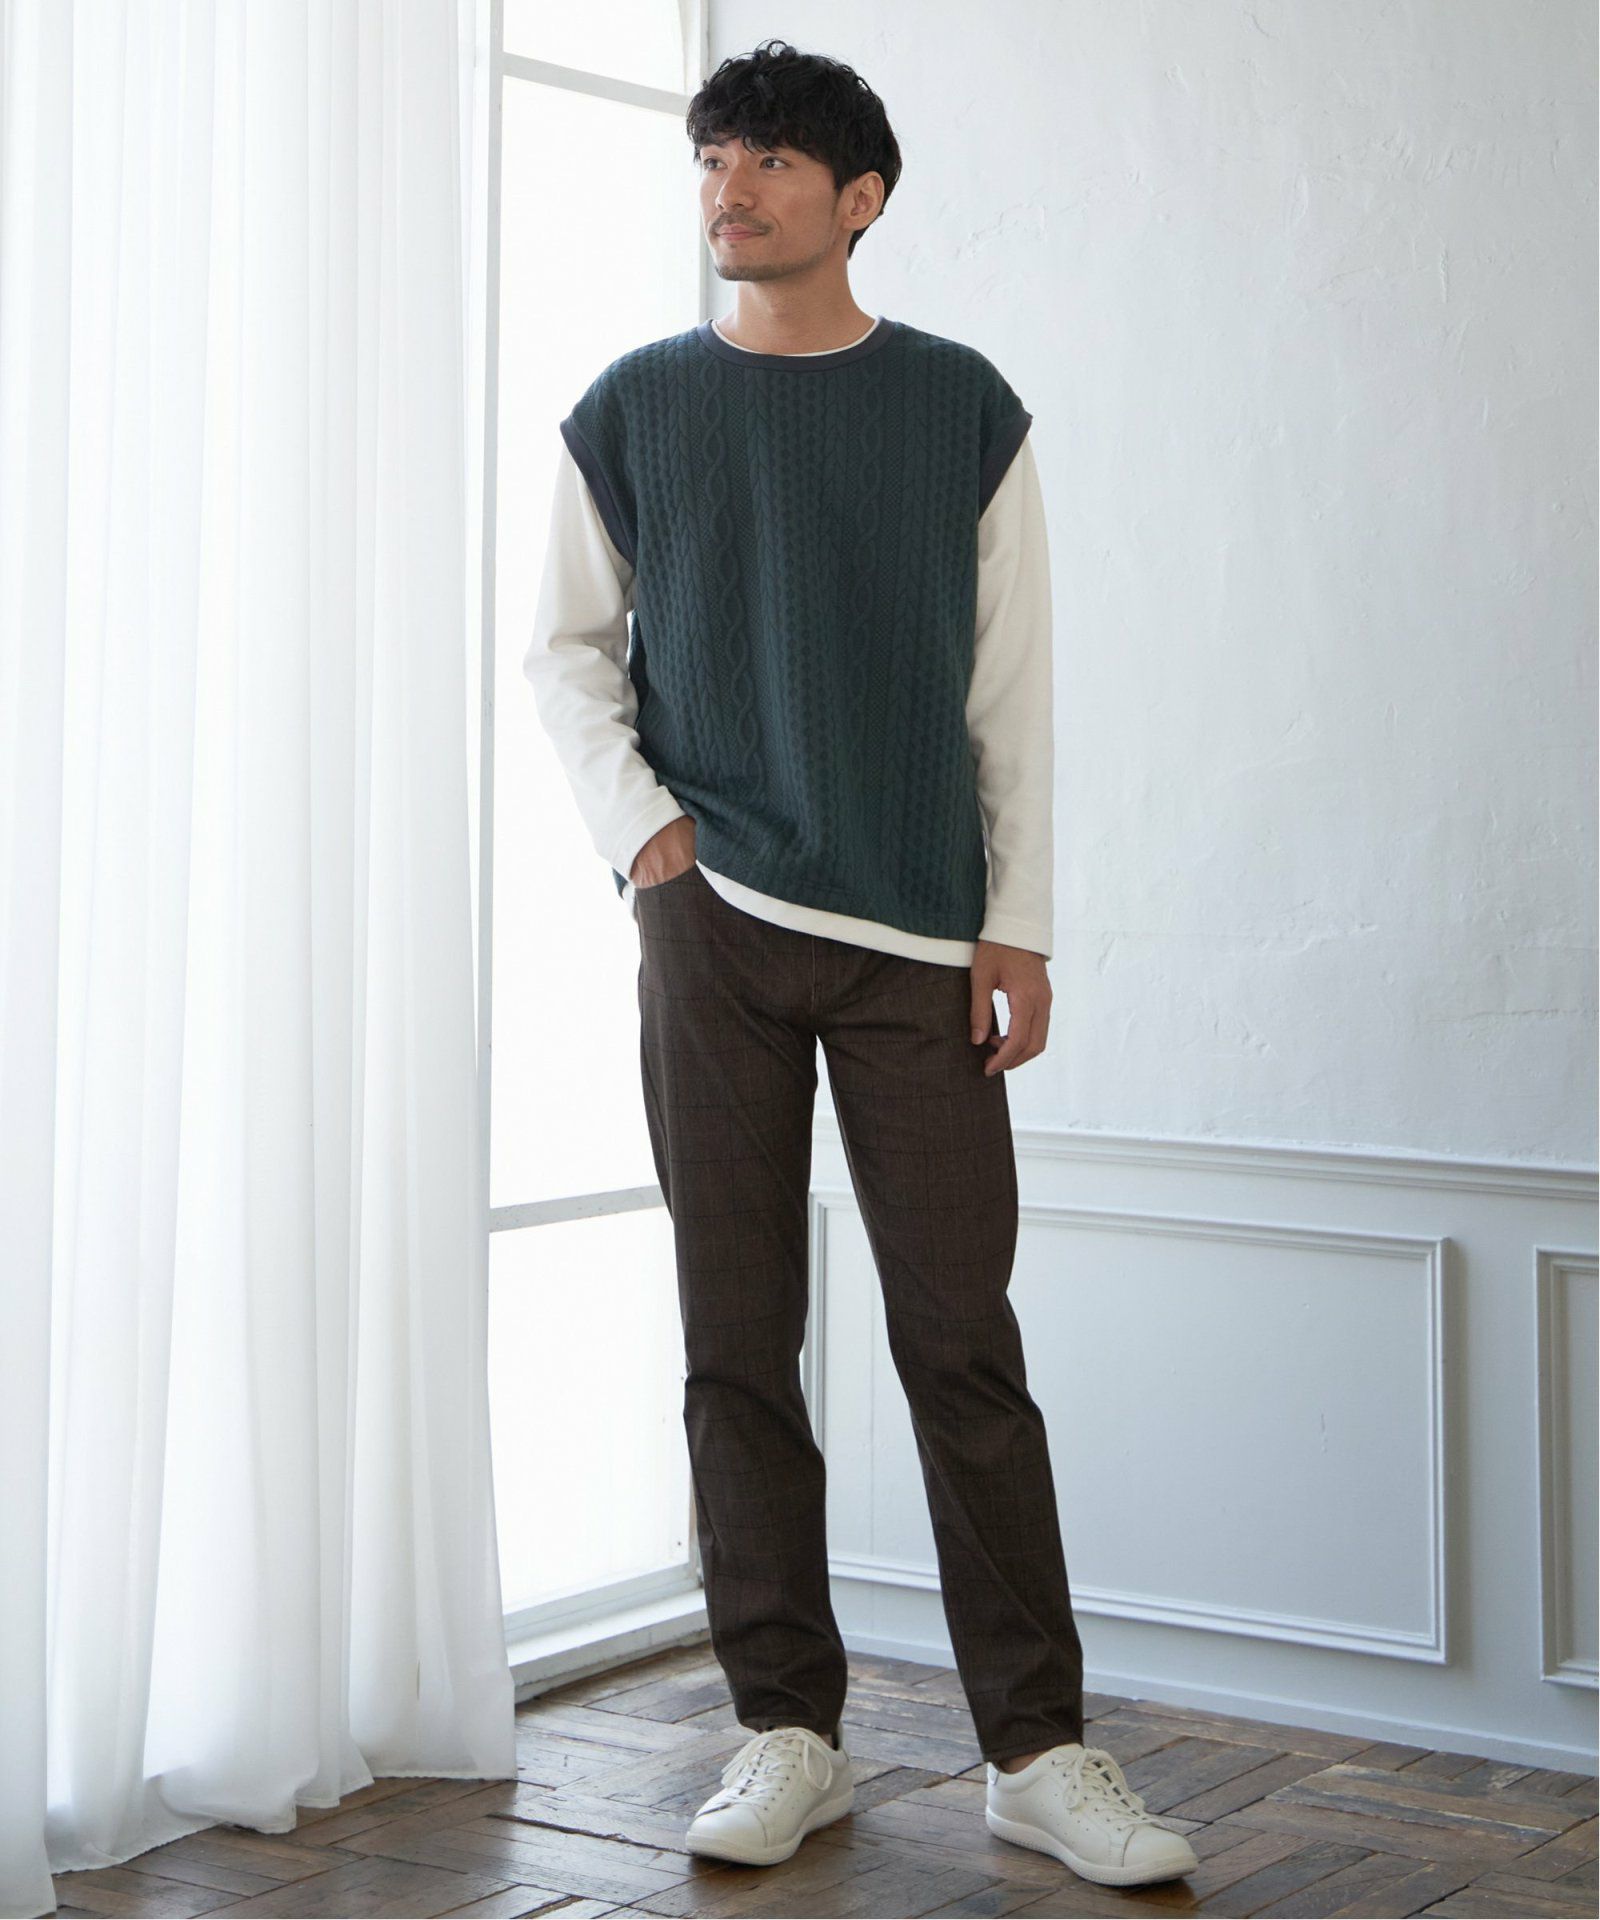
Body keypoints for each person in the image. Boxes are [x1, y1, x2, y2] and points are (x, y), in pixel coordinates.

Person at [523, 36, 1197, 1893]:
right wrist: (647, 841)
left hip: (920, 942)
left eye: (766, 161)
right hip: (712, 929)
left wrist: (1019, 921)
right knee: (736, 1342)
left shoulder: (962, 408)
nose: (728, 189)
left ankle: (1036, 1751)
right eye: (712, 159)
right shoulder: (632, 409)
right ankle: (788, 1732)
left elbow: (1012, 688)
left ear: (860, 196)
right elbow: (565, 653)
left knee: (962, 1343)